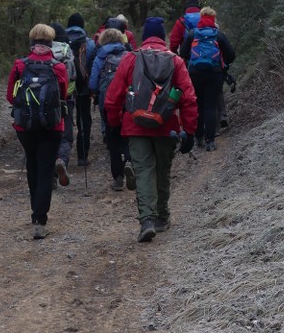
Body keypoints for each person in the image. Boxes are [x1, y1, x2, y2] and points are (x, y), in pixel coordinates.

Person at [104, 16, 198, 242]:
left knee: (144, 170)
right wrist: (190, 130)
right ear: (163, 36)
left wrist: (116, 125)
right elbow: (189, 99)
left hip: (135, 126)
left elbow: (112, 98)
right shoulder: (175, 61)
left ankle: (146, 219)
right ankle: (162, 217)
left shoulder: (130, 59)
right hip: (167, 127)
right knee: (162, 170)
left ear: (144, 36)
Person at [7, 24, 68, 239]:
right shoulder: (58, 67)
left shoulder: (19, 65)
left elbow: (10, 97)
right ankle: (40, 220)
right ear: (51, 43)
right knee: (45, 169)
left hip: (25, 126)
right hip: (52, 126)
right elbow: (63, 96)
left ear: (32, 42)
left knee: (32, 164)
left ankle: (35, 214)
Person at [179, 6, 235, 150]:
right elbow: (231, 55)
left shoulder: (192, 34)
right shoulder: (218, 34)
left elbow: (183, 54)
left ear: (201, 18)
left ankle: (199, 138)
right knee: (210, 105)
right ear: (213, 19)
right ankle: (210, 141)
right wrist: (223, 63)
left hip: (195, 74)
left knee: (198, 105)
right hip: (214, 73)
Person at [89, 27, 135, 191]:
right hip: (128, 101)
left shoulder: (100, 56)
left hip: (107, 102)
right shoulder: (129, 56)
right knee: (128, 134)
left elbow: (93, 84)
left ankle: (118, 177)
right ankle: (129, 161)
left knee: (112, 140)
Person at [65, 13, 96, 167]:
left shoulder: (61, 41)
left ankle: (62, 155)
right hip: (84, 86)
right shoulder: (89, 43)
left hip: (66, 87)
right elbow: (93, 65)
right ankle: (82, 156)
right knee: (84, 119)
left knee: (65, 117)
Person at [50, 22, 76, 187]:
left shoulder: (41, 50)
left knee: (47, 135)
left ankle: (50, 176)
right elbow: (74, 74)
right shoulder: (67, 50)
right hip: (66, 97)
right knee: (65, 135)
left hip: (44, 100)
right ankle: (61, 160)